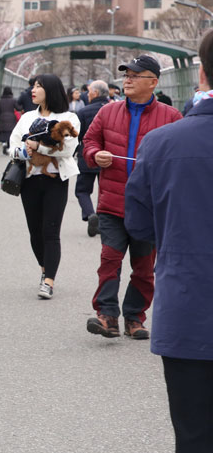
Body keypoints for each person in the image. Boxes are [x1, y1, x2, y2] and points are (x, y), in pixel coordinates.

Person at [125, 31, 213, 453]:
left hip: (187, 311)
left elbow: (139, 225)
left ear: (202, 71)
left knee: (194, 438)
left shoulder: (160, 144)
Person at [82, 54, 182, 339]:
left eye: (135, 75)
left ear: (153, 82)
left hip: (150, 208)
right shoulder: (107, 112)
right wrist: (93, 155)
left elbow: (179, 159)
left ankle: (135, 318)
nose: (127, 79)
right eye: (126, 74)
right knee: (109, 260)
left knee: (143, 267)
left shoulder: (171, 118)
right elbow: (89, 142)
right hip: (112, 204)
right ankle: (106, 316)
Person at [9, 74, 81, 299]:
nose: (33, 90)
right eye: (33, 86)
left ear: (50, 90)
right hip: (29, 180)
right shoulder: (27, 117)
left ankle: (49, 280)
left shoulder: (69, 117)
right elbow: (13, 147)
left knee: (51, 231)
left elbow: (68, 149)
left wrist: (39, 147)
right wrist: (24, 150)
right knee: (35, 232)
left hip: (55, 180)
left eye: (38, 86)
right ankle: (44, 269)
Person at [74, 80, 110, 237]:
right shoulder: (115, 110)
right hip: (110, 156)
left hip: (87, 156)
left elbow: (78, 136)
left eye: (89, 93)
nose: (87, 96)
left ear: (95, 93)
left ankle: (90, 214)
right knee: (106, 191)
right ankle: (103, 221)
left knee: (82, 190)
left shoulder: (83, 112)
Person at [0, 86, 18, 154]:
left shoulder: (0, 101)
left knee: (3, 133)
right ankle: (9, 146)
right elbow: (18, 107)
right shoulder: (13, 100)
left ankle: (4, 144)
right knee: (10, 133)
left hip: (2, 117)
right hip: (11, 118)